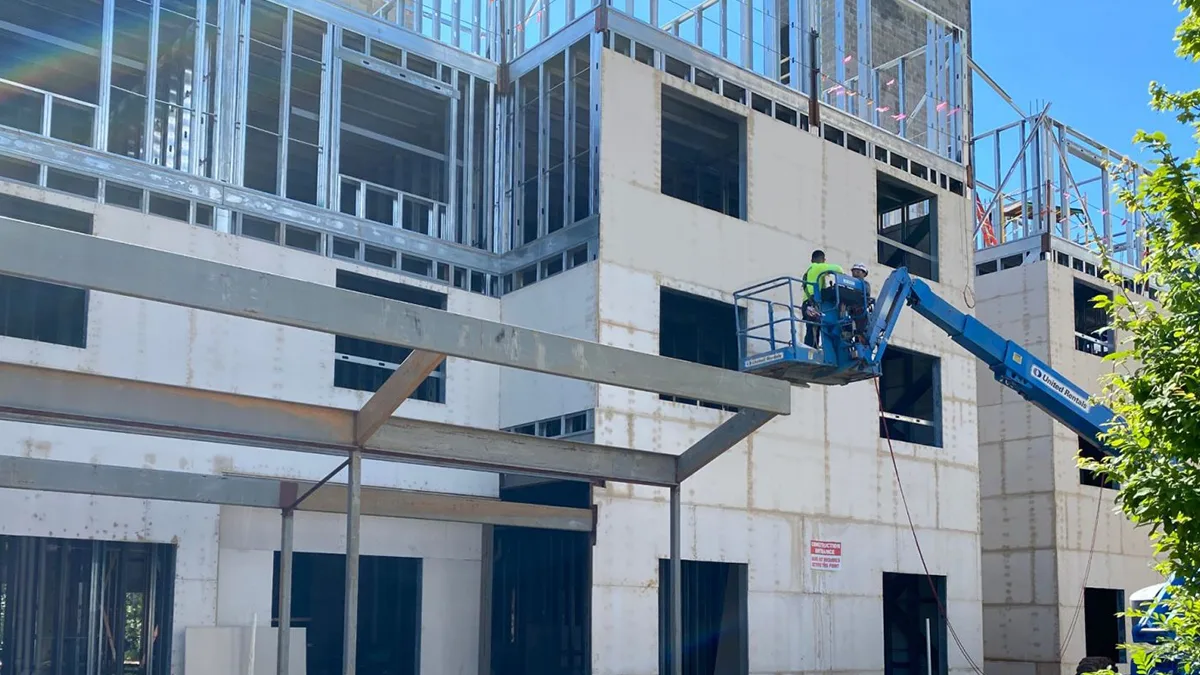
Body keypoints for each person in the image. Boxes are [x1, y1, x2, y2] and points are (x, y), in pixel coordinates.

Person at [801, 250, 843, 348]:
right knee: (814, 329)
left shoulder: (809, 270)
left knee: (812, 328)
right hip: (813, 303)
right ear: (823, 260)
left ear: (811, 260)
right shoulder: (818, 267)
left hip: (807, 304)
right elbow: (839, 269)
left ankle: (810, 348)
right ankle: (811, 350)